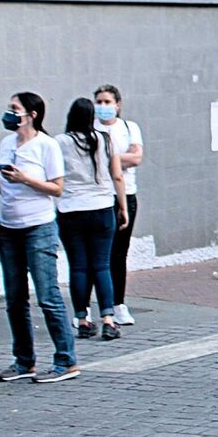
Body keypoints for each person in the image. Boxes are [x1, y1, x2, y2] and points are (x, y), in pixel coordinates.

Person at [0, 92, 78, 384]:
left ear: (32, 114)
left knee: (48, 296)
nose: (9, 113)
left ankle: (66, 359)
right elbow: (6, 186)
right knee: (14, 299)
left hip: (38, 227)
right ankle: (24, 360)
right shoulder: (6, 143)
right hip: (8, 227)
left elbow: (57, 188)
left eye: (15, 109)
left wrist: (25, 179)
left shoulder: (47, 145)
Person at [57, 97, 128, 342]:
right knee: (102, 265)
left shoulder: (60, 142)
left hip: (70, 209)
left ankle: (82, 319)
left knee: (78, 266)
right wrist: (122, 206)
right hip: (101, 206)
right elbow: (117, 176)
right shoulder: (105, 140)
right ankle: (108, 319)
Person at [93, 85, 144, 326]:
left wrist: (108, 157)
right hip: (101, 195)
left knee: (119, 252)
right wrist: (119, 158)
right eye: (99, 102)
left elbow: (136, 158)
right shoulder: (91, 130)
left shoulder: (128, 128)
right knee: (99, 254)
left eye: (107, 102)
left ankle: (118, 303)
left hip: (127, 195)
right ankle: (97, 305)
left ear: (118, 104)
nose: (103, 106)